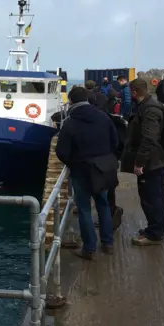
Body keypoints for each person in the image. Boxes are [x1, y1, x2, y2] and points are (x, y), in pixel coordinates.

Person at [56, 86, 118, 259]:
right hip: (102, 169)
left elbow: (61, 152)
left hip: (81, 171)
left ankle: (89, 249)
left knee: (84, 209)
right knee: (103, 205)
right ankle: (108, 243)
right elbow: (115, 141)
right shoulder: (103, 117)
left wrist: (73, 163)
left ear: (71, 101)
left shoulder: (70, 123)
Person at [120, 78, 164, 246]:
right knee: (150, 196)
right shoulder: (145, 107)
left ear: (134, 92)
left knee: (152, 197)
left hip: (152, 162)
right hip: (152, 160)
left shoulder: (150, 110)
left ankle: (155, 233)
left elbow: (149, 139)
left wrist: (139, 163)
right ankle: (153, 229)